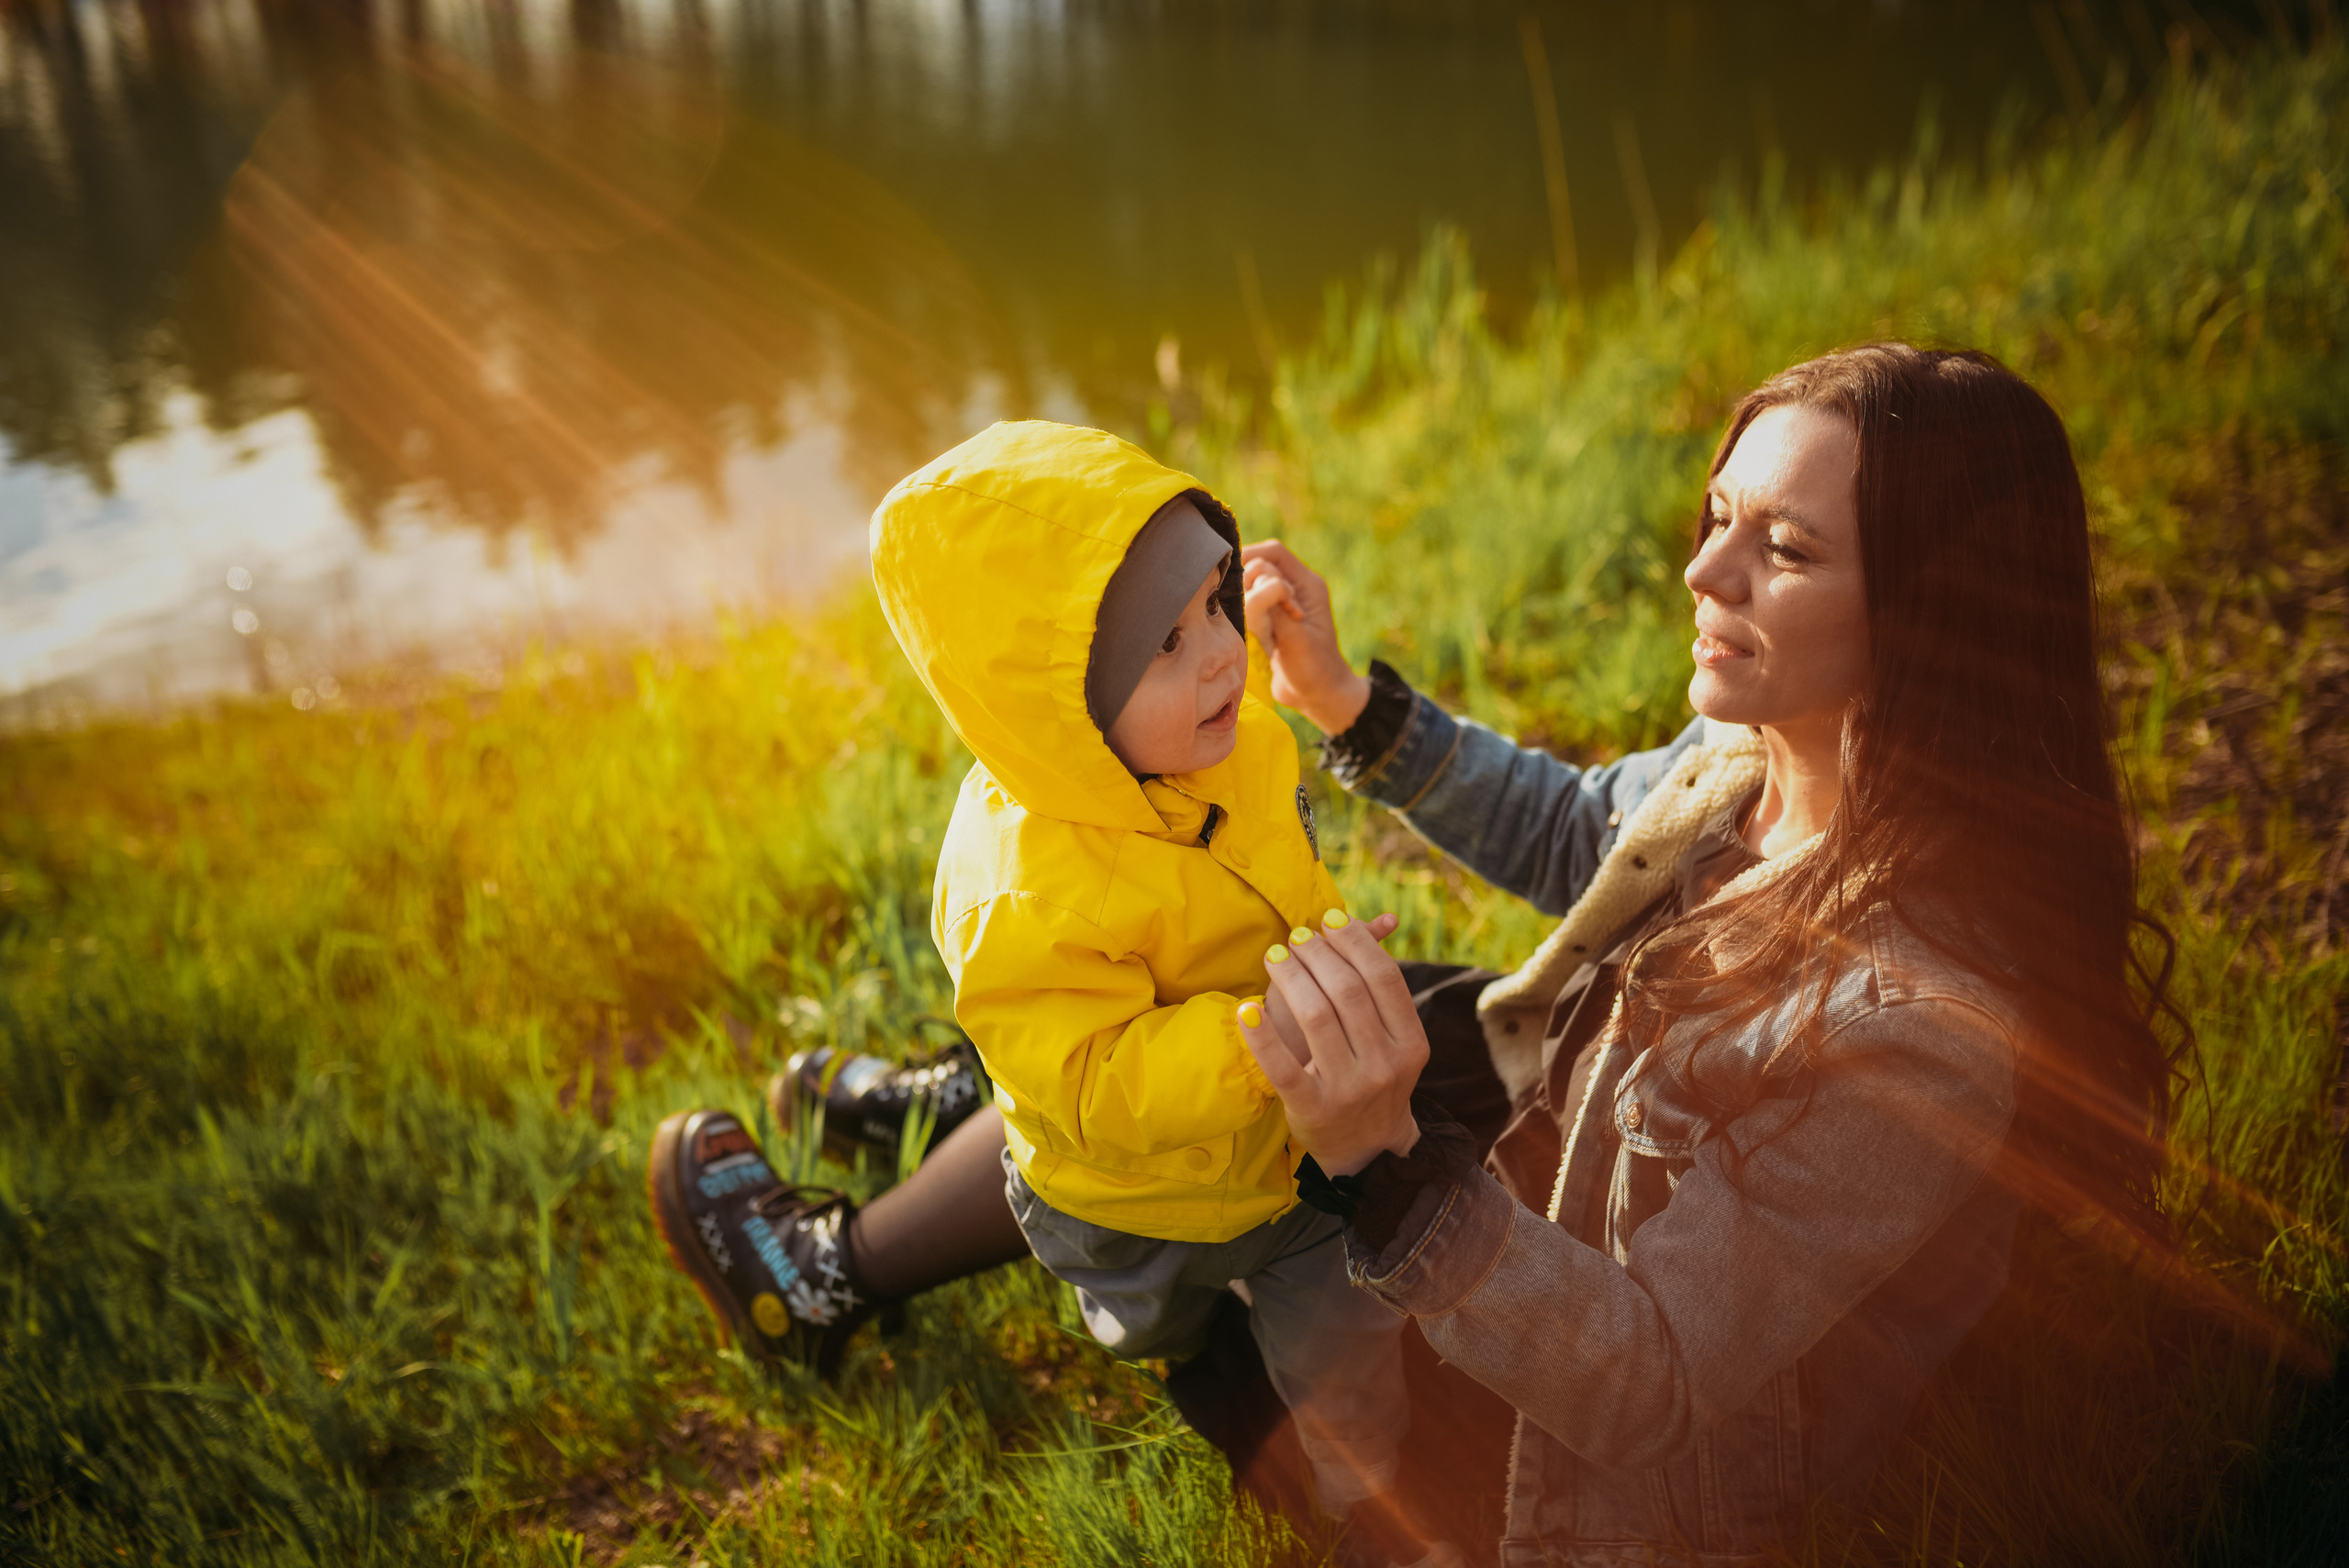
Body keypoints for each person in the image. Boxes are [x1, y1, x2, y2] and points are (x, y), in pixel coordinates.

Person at [1224, 342, 2179, 1560]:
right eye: (1720, 517)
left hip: (1597, 1390)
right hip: (1557, 1143)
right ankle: (923, 1167)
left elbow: (1651, 1382)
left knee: (1236, 1341)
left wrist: (1388, 1170)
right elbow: (1582, 828)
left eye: (1782, 551)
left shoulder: (1917, 1022)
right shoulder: (1756, 755)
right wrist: (1350, 705)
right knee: (1213, 1018)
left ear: (1937, 611)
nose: (1699, 569)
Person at [651, 421, 1459, 1567]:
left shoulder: (1237, 744)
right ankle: (947, 1169)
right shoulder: (1022, 896)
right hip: (1136, 1194)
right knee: (1167, 1326)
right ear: (1054, 710)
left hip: (1300, 1169)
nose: (1223, 656)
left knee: (1348, 1356)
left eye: (1216, 604)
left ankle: (1362, 1513)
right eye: (1166, 645)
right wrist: (1263, 1043)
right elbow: (1092, 1078)